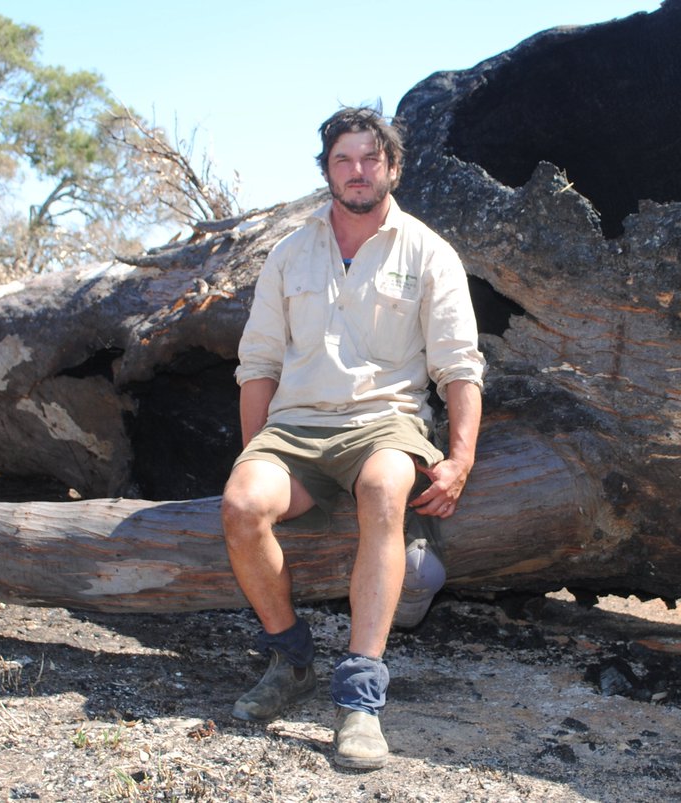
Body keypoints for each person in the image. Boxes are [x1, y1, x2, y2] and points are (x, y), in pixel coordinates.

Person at [220, 106, 485, 770]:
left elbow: (459, 366)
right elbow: (258, 364)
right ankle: (290, 659)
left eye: (371, 157)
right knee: (242, 506)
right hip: (296, 427)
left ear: (392, 167)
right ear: (327, 170)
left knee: (384, 488)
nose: (357, 170)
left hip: (384, 424)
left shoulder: (428, 252)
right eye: (343, 158)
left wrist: (460, 460)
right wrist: (254, 453)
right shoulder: (289, 253)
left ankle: (361, 697)